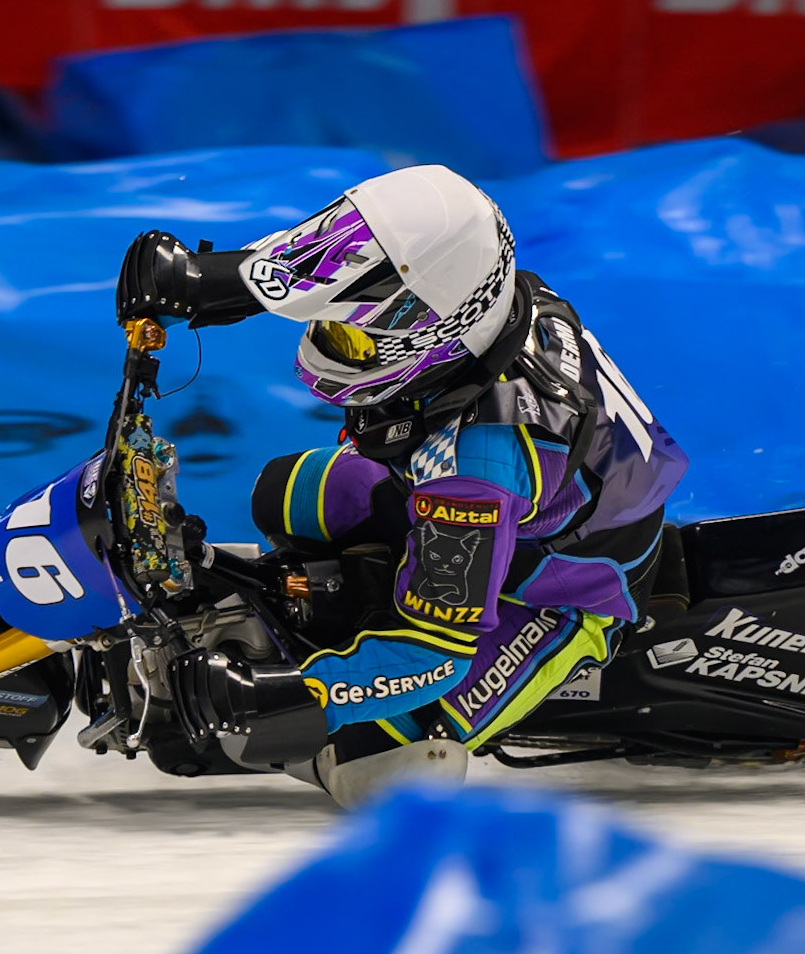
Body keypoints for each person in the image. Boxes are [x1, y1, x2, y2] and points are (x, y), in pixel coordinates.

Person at [116, 165, 687, 805]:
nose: (327, 345)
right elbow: (332, 263)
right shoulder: (488, 290)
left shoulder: (480, 464)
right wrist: (207, 281)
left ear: (430, 336)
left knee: (374, 759)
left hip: (559, 588)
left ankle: (416, 685)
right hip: (530, 501)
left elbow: (433, 654)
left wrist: (295, 694)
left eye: (352, 338)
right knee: (282, 493)